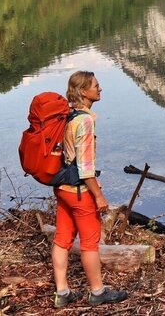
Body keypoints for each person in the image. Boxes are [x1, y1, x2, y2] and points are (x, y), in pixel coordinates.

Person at [51, 71, 128, 307]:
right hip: (79, 192)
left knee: (62, 239)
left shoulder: (67, 116)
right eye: (96, 86)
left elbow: (68, 157)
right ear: (84, 91)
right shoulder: (84, 120)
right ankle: (97, 291)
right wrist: (99, 196)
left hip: (62, 188)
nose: (100, 89)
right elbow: (85, 169)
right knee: (90, 242)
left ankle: (62, 293)